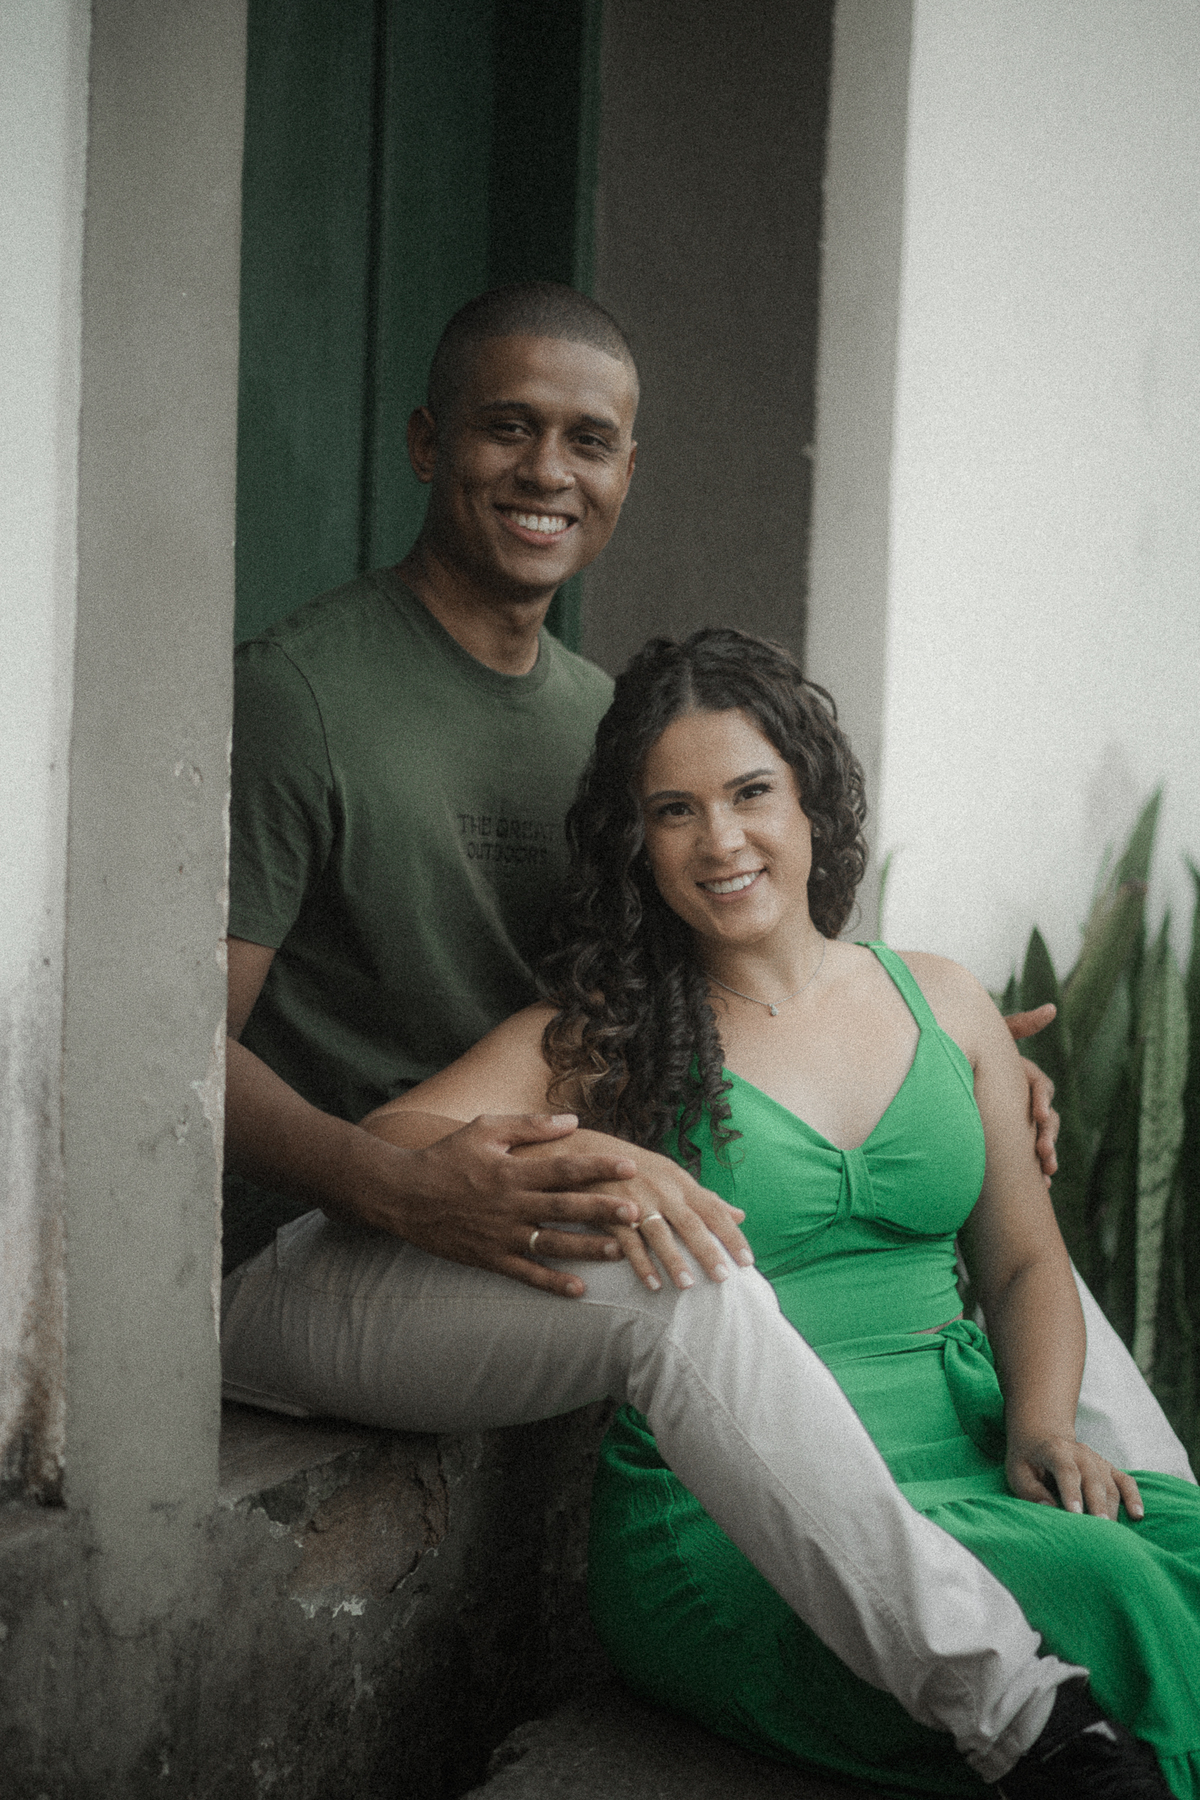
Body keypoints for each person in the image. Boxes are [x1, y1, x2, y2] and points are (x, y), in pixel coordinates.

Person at [220, 283, 1191, 1789]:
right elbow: (177, 1056)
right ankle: (1024, 1715)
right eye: (507, 427)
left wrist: (955, 1067)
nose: (548, 470)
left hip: (514, 1224)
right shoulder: (300, 695)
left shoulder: (601, 717)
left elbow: (718, 973)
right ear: (425, 442)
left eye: (588, 438)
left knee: (1043, 1294)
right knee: (687, 1276)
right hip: (338, 1231)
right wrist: (402, 1181)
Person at [361, 627, 1200, 1799]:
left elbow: (1021, 1263)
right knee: (1103, 1588)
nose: (721, 841)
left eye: (752, 792)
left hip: (969, 1445)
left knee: (1172, 1553)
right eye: (674, 812)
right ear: (637, 845)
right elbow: (390, 1142)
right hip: (744, 1513)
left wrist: (1043, 1427)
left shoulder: (945, 1000)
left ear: (813, 799)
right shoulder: (611, 1037)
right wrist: (589, 1150)